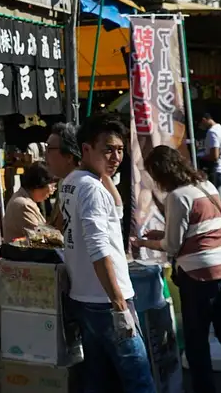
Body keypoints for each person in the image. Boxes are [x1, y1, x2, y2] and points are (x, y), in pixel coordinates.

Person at [132, 146, 221, 393]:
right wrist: (163, 233)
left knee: (197, 343)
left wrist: (145, 242)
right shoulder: (205, 186)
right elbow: (199, 228)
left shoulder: (177, 196)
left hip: (201, 275)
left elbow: (172, 245)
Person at [61, 114, 154, 393]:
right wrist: (119, 306)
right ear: (86, 149)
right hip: (107, 301)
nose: (116, 157)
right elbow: (98, 248)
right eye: (108, 150)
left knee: (99, 379)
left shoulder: (74, 181)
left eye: (120, 150)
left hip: (84, 297)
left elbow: (116, 210)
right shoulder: (90, 189)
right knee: (138, 379)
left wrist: (104, 174)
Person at [3, 163, 53, 241]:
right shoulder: (24, 205)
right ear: (38, 185)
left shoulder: (23, 199)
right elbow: (41, 237)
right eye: (50, 186)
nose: (51, 192)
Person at [47, 122, 80, 230]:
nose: (45, 154)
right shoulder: (65, 181)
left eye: (49, 149)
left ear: (69, 157)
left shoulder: (84, 186)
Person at [199, 113, 221, 199]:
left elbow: (215, 155)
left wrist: (200, 157)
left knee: (216, 203)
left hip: (217, 171)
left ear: (204, 120)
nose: (200, 127)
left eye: (200, 124)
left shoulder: (212, 132)